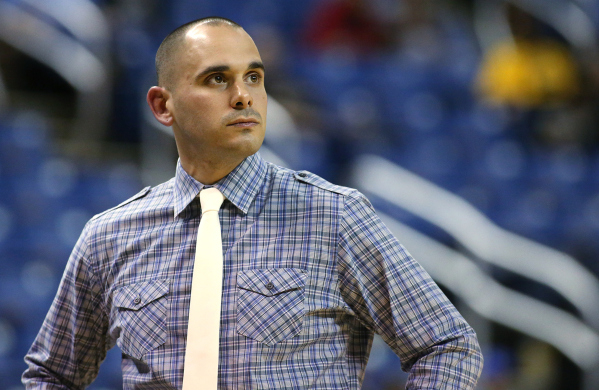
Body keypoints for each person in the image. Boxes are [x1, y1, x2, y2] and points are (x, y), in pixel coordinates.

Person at [22, 17, 483, 389]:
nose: (243, 95)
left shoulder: (334, 216)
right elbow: (51, 374)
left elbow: (447, 346)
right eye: (217, 79)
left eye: (254, 77)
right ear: (163, 107)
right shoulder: (109, 235)